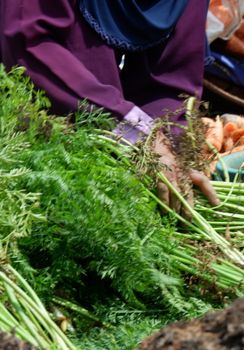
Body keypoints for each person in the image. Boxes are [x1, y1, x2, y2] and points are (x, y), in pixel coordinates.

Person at [0, 0, 219, 209]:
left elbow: (172, 82)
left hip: (103, 170)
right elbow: (31, 44)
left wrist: (169, 161)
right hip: (23, 135)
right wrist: (136, 133)